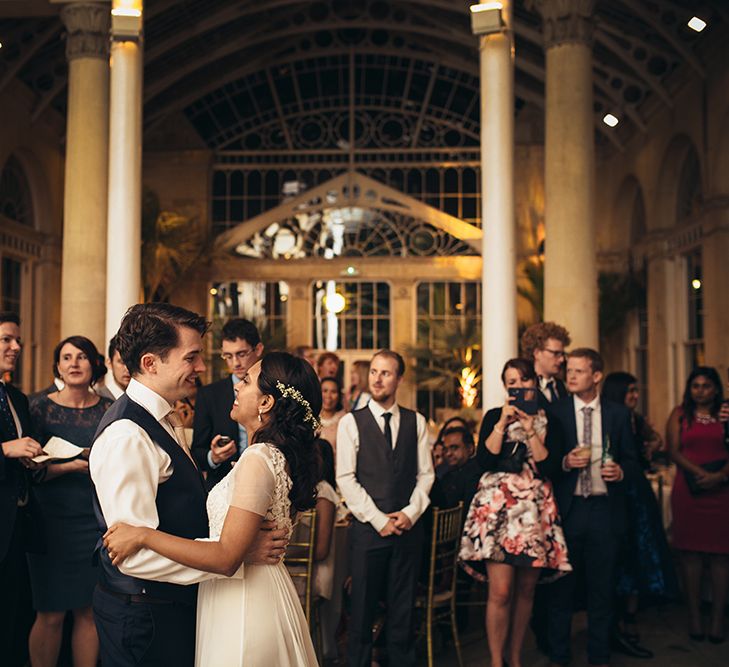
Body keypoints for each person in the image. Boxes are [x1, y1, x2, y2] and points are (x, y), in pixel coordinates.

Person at [89, 303, 286, 667]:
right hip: (145, 616)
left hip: (170, 606)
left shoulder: (163, 416)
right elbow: (133, 555)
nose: (201, 368)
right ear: (151, 363)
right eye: (191, 357)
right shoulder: (127, 435)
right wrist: (234, 555)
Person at [103, 350, 321, 666]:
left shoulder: (258, 459)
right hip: (246, 591)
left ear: (266, 402)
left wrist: (143, 535)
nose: (236, 386)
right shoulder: (274, 455)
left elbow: (226, 557)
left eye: (246, 381)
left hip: (245, 602)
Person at [460, 358, 570, 667]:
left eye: (523, 382)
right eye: (511, 383)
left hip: (533, 512)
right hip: (498, 511)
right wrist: (502, 424)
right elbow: (484, 460)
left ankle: (516, 656)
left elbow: (549, 466)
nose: (518, 388)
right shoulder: (495, 416)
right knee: (501, 590)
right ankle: (497, 661)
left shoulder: (552, 421)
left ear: (534, 383)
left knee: (525, 589)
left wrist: (530, 429)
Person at [336, 349, 434, 667]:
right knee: (361, 611)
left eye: (386, 373)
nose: (377, 379)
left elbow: (426, 474)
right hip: (368, 532)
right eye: (374, 372)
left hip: (407, 531)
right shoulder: (351, 422)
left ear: (399, 379)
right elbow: (346, 479)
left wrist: (409, 513)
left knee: (403, 612)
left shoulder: (416, 422)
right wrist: (379, 520)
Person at [546, 348, 638, 667]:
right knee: (562, 589)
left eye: (578, 371)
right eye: (568, 370)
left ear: (596, 376)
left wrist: (622, 472)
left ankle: (599, 656)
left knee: (602, 588)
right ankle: (559, 656)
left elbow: (633, 460)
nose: (570, 376)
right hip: (569, 511)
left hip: (604, 510)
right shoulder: (555, 412)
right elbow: (543, 464)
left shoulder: (617, 414)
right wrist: (564, 461)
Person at [27, 336, 112, 667]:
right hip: (50, 522)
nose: (74, 363)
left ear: (94, 364)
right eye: (66, 358)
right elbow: (31, 473)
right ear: (57, 367)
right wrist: (77, 464)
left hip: (94, 521)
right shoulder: (39, 408)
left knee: (88, 611)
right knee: (49, 613)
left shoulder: (109, 410)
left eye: (81, 357)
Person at [602, 372, 678, 658]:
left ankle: (630, 617)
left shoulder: (637, 419)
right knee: (622, 558)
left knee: (639, 556)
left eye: (636, 390)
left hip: (638, 494)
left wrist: (652, 444)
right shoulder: (612, 419)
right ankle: (618, 621)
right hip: (621, 496)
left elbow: (656, 442)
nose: (635, 395)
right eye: (630, 391)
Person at [666, 366, 729, 643]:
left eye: (706, 385)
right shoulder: (680, 414)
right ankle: (693, 616)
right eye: (695, 385)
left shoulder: (726, 414)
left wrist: (719, 475)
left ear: (716, 389)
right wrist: (700, 473)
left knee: (720, 556)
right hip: (689, 491)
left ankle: (716, 620)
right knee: (690, 555)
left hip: (722, 491)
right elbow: (673, 450)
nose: (700, 390)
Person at [0, 312, 45, 667]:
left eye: (17, 340)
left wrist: (31, 460)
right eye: (6, 340)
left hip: (17, 530)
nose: (16, 347)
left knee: (16, 621)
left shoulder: (16, 397)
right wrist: (5, 450)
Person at [191, 318, 263, 489]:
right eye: (228, 356)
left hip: (265, 481)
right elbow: (197, 452)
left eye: (241, 354)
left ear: (258, 349)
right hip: (222, 485)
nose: (235, 363)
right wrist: (213, 457)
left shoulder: (274, 390)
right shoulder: (209, 395)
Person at [520, 321, 571, 407]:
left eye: (562, 354)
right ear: (537, 353)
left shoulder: (563, 386)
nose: (562, 359)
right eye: (555, 353)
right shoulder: (523, 385)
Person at [440, 426, 481, 511]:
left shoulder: (476, 474)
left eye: (454, 448)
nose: (448, 454)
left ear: (470, 449)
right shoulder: (446, 476)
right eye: (445, 449)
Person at [320, 376, 346, 452]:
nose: (328, 396)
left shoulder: (345, 420)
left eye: (333, 392)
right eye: (325, 391)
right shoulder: (310, 418)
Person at [102, 334, 131, 400]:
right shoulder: (98, 398)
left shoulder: (143, 399)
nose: (127, 368)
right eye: (121, 362)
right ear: (109, 363)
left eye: (131, 363)